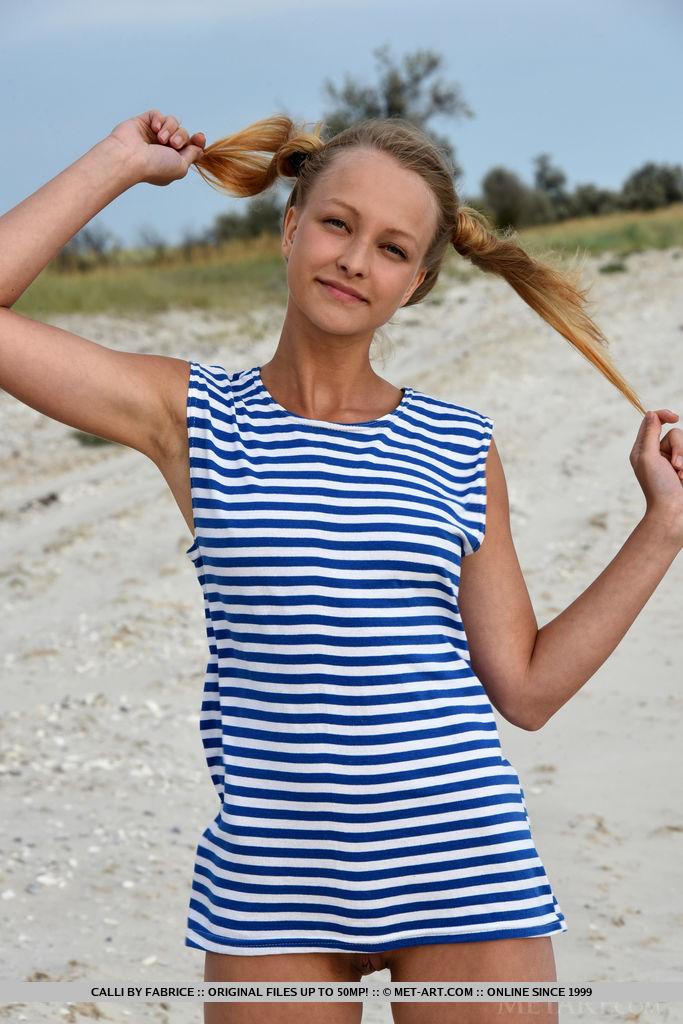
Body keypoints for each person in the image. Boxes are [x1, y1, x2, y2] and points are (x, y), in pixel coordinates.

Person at [0, 108, 681, 1024]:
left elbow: (524, 687)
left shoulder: (458, 445)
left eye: (393, 248)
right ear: (289, 226)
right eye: (335, 223)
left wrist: (663, 528)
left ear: (419, 281)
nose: (356, 260)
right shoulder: (192, 416)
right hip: (272, 883)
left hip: (463, 868)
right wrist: (119, 162)